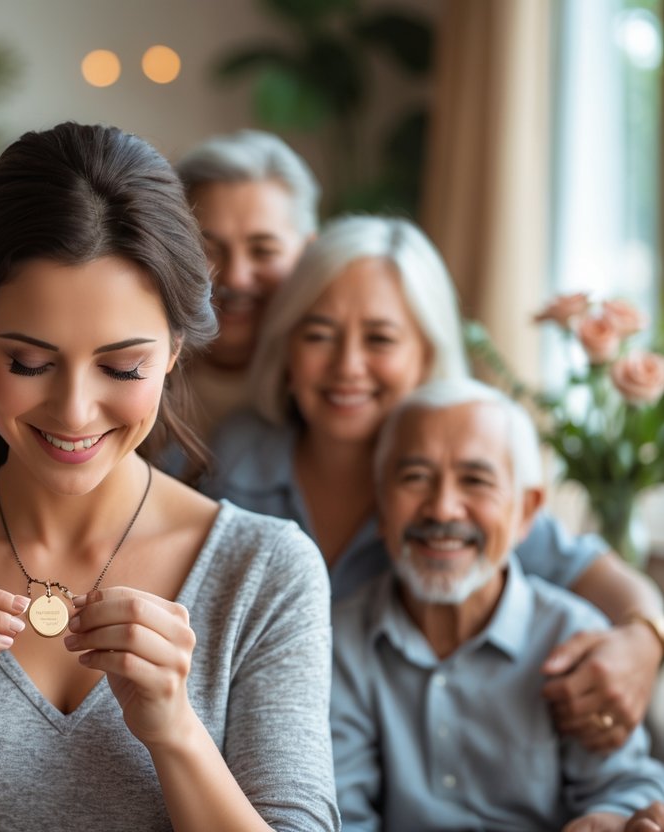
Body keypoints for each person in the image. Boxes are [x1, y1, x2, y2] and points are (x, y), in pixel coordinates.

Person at [0, 123, 338, 831]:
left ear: (175, 347)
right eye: (27, 362)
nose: (74, 411)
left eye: (121, 367)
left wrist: (174, 730)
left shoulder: (266, 571)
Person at [202, 215, 664, 753]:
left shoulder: (457, 502)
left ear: (426, 355)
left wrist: (645, 640)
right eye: (318, 334)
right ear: (286, 351)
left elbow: (604, 579)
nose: (347, 366)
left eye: (380, 338)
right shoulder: (229, 462)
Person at [332, 379, 664, 830]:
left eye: (475, 480)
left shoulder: (573, 634)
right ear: (380, 506)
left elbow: (626, 784)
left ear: (526, 511)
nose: (443, 509)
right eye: (415, 478)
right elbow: (340, 814)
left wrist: (611, 818)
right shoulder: (338, 642)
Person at [174, 129, 319, 440]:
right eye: (210, 249)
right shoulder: (135, 376)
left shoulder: (327, 394)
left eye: (263, 250)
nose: (236, 277)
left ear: (308, 254)